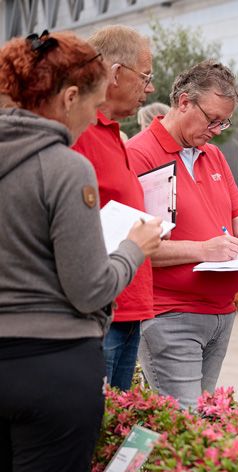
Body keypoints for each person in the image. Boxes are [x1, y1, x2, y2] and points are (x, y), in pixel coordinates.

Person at [0, 30, 161, 472]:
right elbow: (89, 288)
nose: (91, 119)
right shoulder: (66, 167)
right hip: (52, 367)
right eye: (90, 104)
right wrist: (135, 248)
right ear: (69, 97)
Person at [126, 60, 238, 409]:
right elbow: (135, 246)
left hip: (220, 314)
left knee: (197, 426)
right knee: (185, 423)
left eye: (224, 122)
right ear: (184, 102)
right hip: (170, 314)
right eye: (212, 119)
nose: (217, 130)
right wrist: (202, 250)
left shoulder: (211, 155)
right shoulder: (138, 155)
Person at [72, 25, 156, 390]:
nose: (150, 88)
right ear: (116, 72)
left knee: (115, 427)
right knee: (93, 425)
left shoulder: (113, 133)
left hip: (129, 307)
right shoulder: (79, 133)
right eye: (146, 76)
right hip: (101, 311)